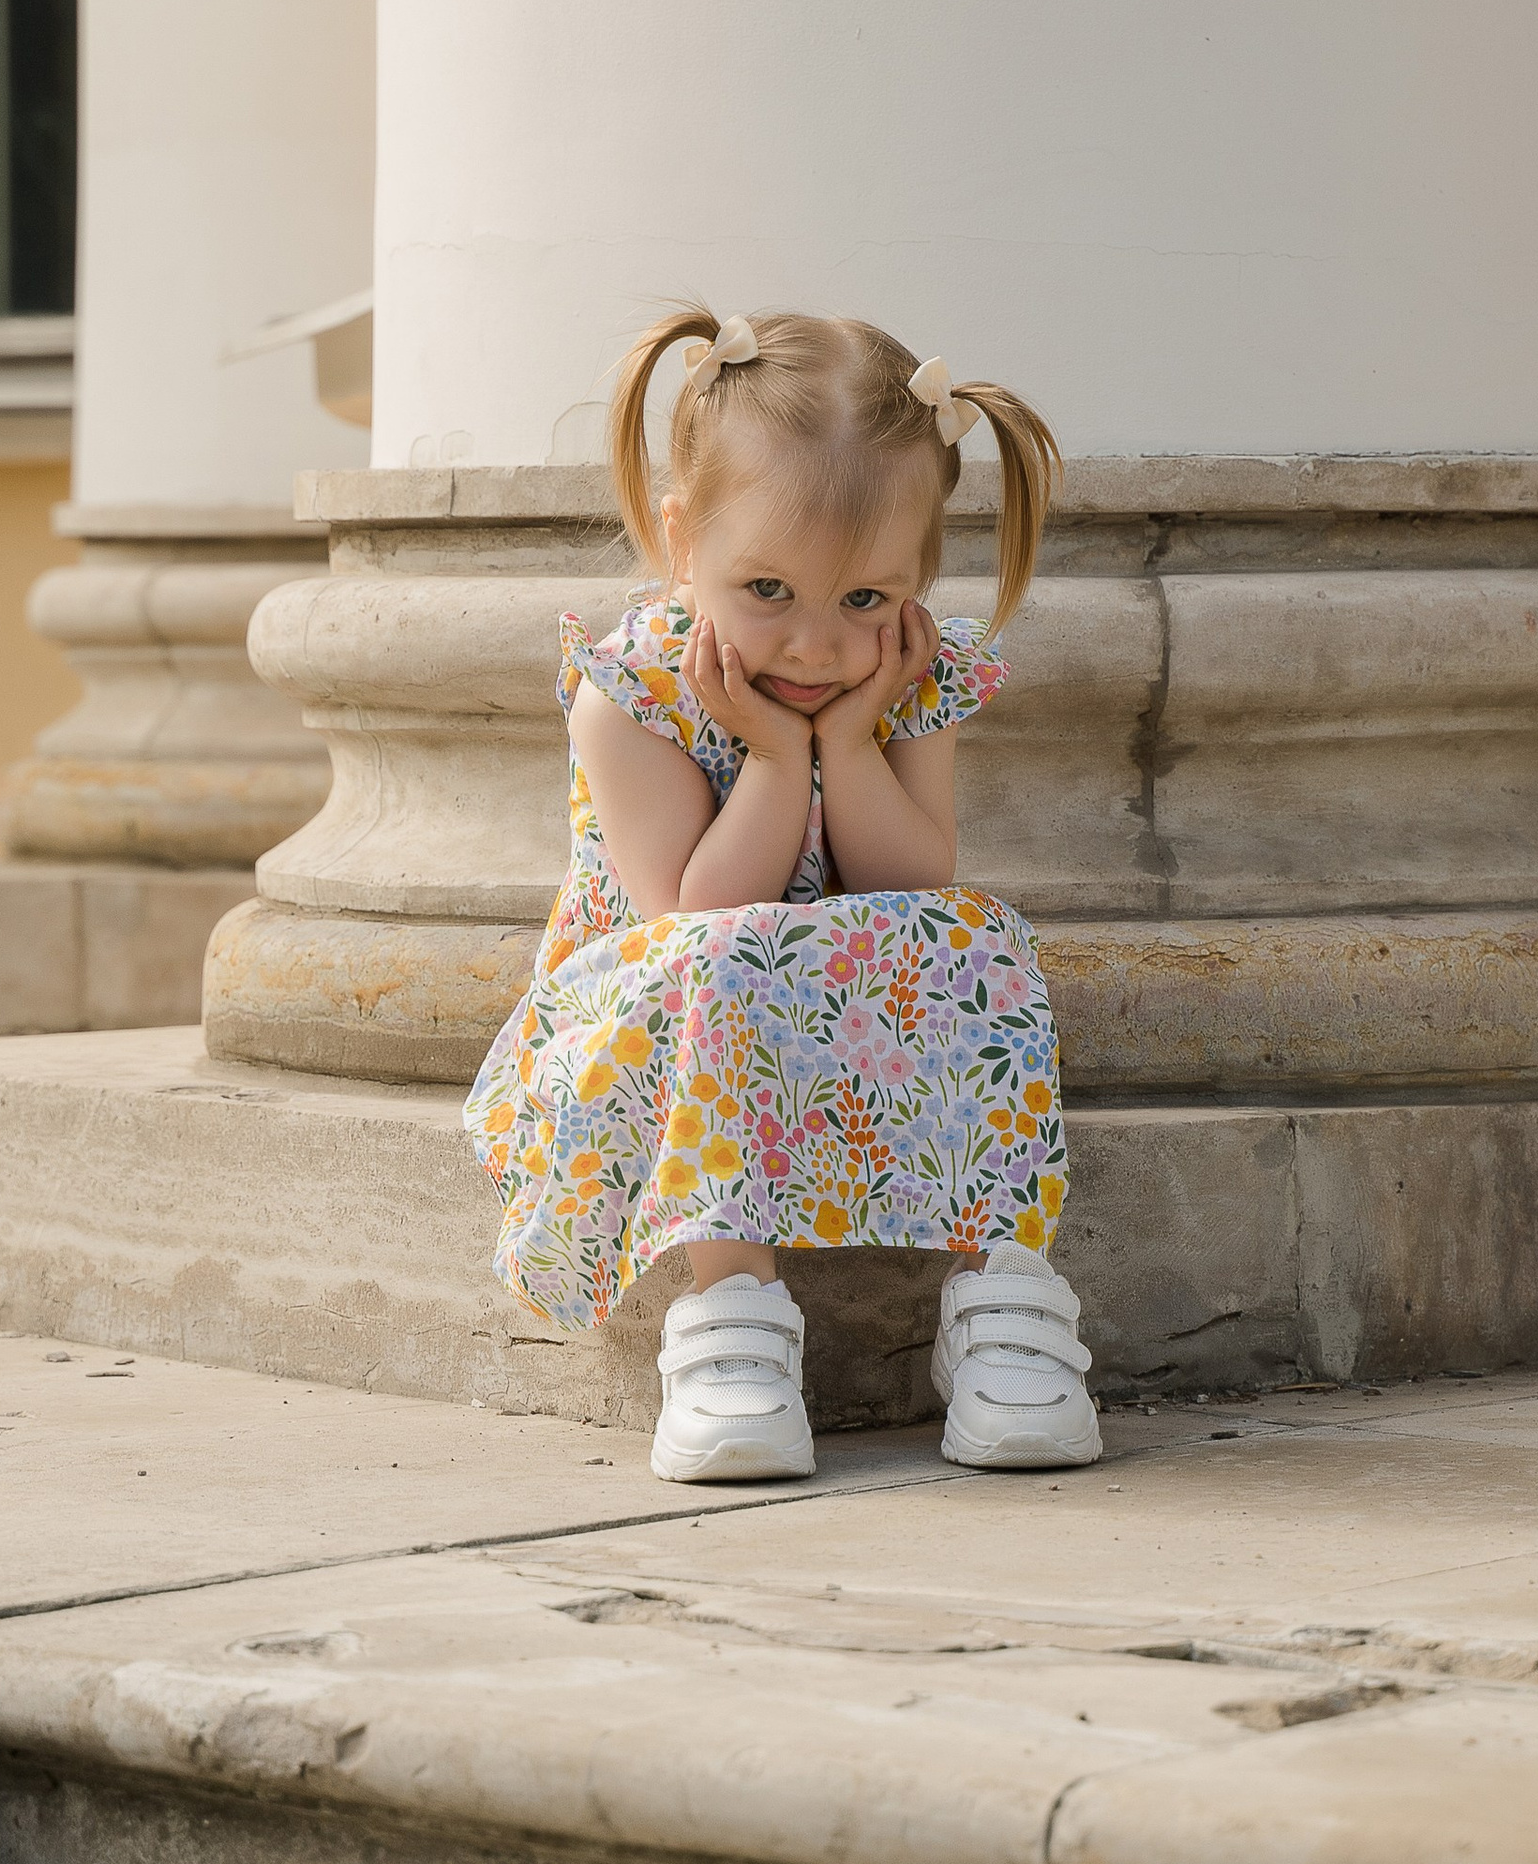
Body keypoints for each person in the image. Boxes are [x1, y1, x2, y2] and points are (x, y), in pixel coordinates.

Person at [466, 303, 1099, 1482]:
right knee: (726, 954)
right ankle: (732, 1326)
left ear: (913, 583)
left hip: (830, 1007)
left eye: (863, 601)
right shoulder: (632, 692)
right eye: (767, 590)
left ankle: (999, 1294)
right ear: (678, 544)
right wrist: (769, 756)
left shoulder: (903, 678)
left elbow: (911, 879)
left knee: (974, 936)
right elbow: (689, 912)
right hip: (649, 1015)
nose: (813, 646)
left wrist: (849, 745)